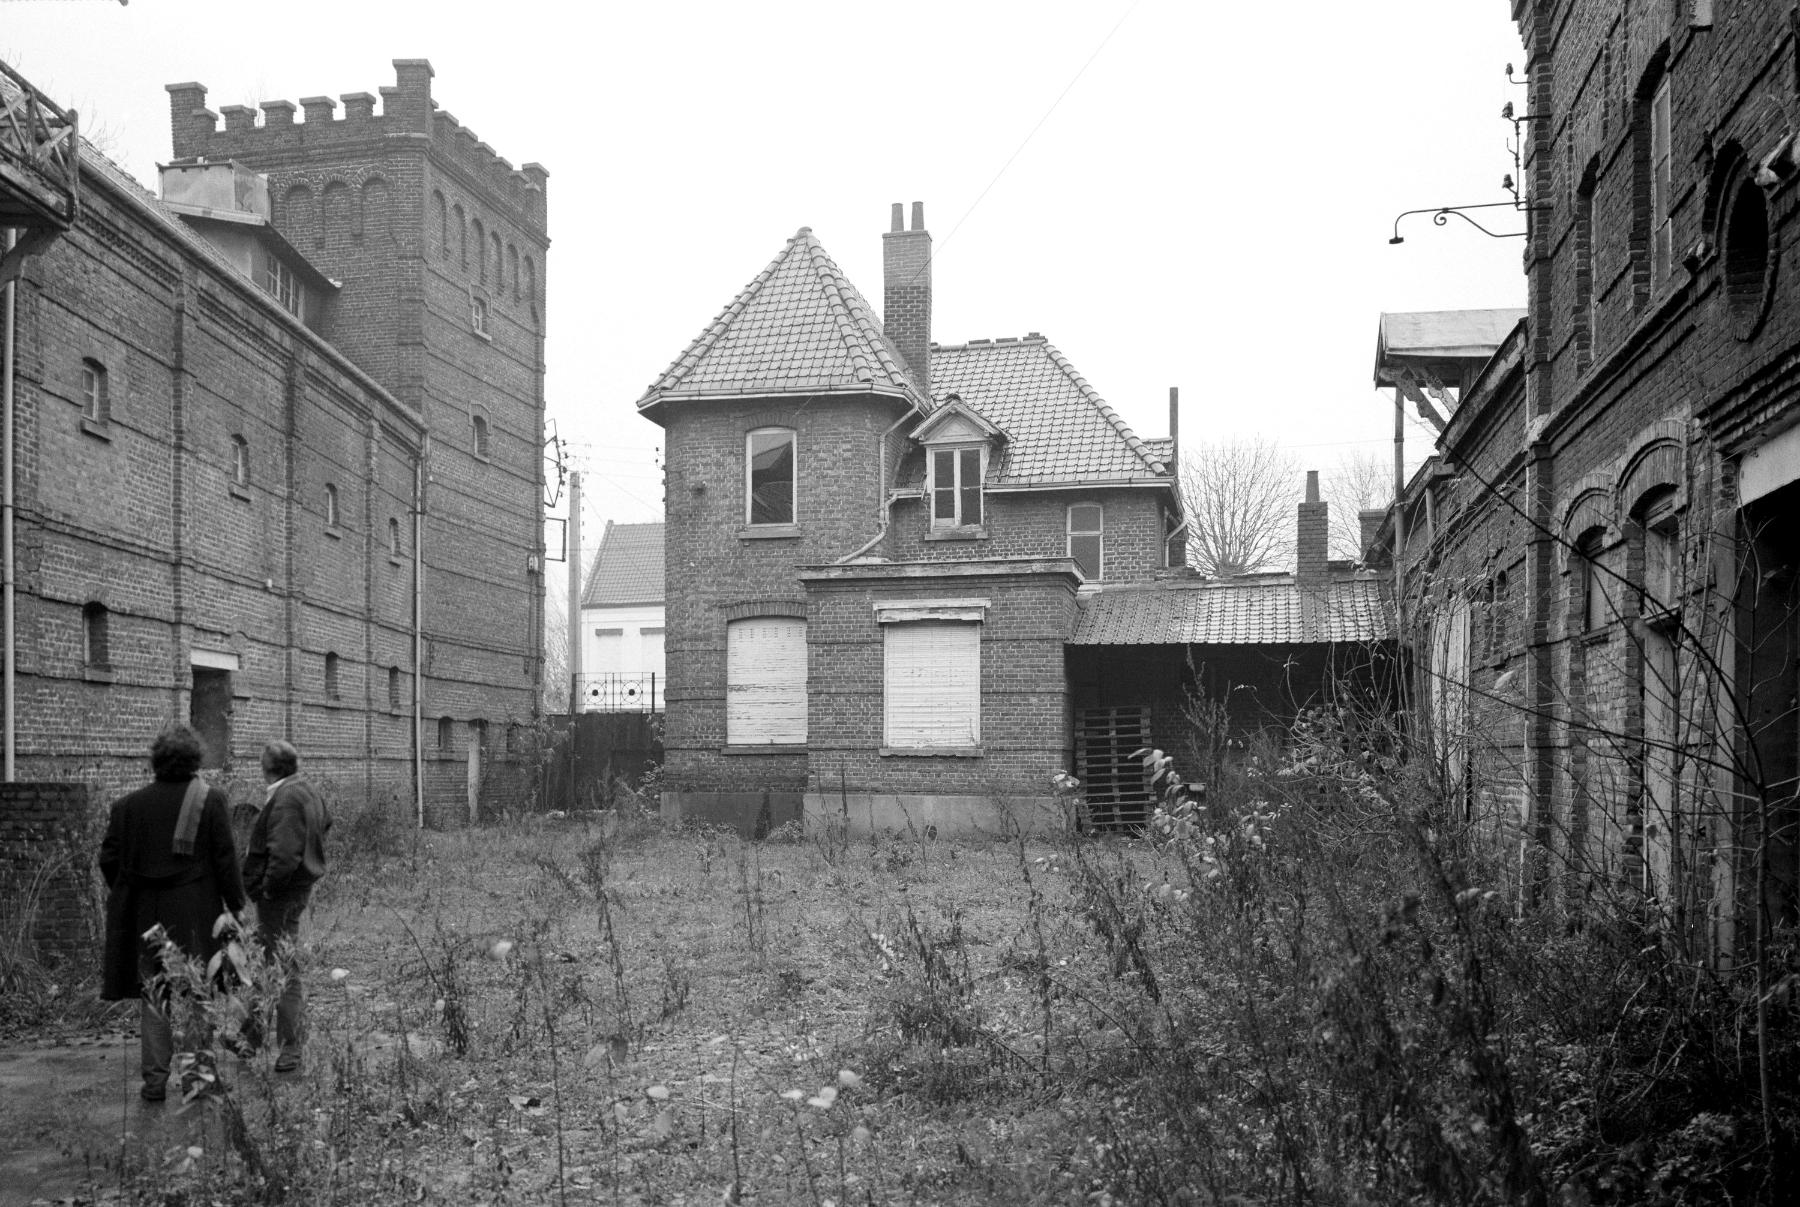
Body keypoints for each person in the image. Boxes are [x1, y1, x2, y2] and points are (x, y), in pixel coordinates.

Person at [100, 723, 247, 1102]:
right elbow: (225, 859)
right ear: (194, 760)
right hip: (197, 913)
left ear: (157, 762)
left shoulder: (127, 807)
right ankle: (198, 1080)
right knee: (199, 995)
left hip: (147, 915)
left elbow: (110, 861)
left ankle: (153, 1083)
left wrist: (136, 890)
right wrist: (236, 905)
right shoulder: (210, 800)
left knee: (155, 995)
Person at [242, 739, 330, 1073]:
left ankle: (291, 1048)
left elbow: (283, 856)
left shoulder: (286, 798)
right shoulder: (304, 789)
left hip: (280, 897)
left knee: (284, 969)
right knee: (270, 964)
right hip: (294, 891)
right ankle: (247, 1038)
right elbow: (326, 821)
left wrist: (266, 890)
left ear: (267, 768)